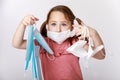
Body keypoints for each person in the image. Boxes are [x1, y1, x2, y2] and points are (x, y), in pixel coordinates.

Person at [12, 5, 105, 80]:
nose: (58, 29)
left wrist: (94, 34)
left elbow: (101, 55)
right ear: (47, 26)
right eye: (53, 24)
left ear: (72, 27)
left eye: (64, 24)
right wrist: (23, 24)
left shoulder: (75, 44)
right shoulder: (42, 44)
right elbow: (17, 44)